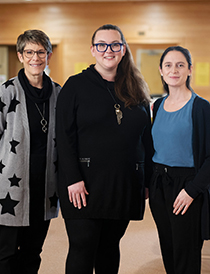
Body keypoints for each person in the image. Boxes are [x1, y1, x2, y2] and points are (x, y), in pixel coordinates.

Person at [56, 23, 153, 274]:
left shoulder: (136, 87)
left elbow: (146, 138)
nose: (108, 50)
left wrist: (147, 180)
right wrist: (73, 178)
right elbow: (64, 137)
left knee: (110, 246)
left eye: (114, 45)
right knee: (83, 245)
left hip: (123, 183)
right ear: (92, 49)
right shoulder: (75, 86)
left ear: (123, 50)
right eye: (101, 45)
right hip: (84, 184)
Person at [0, 29, 60, 274]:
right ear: (20, 56)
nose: (35, 57)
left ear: (48, 55)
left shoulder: (59, 93)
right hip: (10, 190)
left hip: (44, 187)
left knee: (33, 251)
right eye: (29, 52)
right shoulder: (7, 91)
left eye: (40, 52)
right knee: (5, 254)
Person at [149, 46, 210, 274]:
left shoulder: (201, 108)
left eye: (180, 65)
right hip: (160, 186)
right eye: (168, 65)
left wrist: (193, 190)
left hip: (187, 187)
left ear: (189, 70)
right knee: (169, 249)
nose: (174, 70)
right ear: (161, 71)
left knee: (186, 254)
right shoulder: (157, 106)